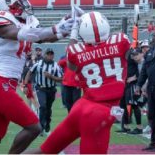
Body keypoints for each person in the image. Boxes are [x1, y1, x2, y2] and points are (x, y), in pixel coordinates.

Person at [0, 0, 76, 154]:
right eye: (20, 2)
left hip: (4, 85)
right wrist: (56, 28)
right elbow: (23, 34)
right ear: (8, 7)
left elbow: (44, 37)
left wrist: (65, 27)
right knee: (34, 127)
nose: (25, 4)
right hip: (1, 85)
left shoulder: (29, 21)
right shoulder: (1, 19)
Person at [25, 11, 130, 154]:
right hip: (100, 112)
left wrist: (74, 30)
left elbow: (71, 63)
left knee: (44, 151)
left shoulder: (75, 51)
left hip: (82, 106)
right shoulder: (121, 41)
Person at [24, 48, 63, 134]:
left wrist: (51, 77)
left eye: (51, 54)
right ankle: (41, 126)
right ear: (45, 55)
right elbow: (29, 72)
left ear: (53, 55)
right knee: (42, 106)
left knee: (48, 108)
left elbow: (61, 79)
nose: (49, 56)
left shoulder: (56, 66)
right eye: (48, 54)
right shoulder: (38, 64)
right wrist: (26, 85)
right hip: (40, 88)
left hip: (51, 89)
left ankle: (47, 122)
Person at [116, 47, 144, 135]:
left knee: (134, 105)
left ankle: (139, 127)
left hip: (132, 84)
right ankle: (126, 126)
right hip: (125, 84)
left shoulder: (131, 55)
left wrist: (135, 77)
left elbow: (141, 68)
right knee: (123, 105)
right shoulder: (122, 57)